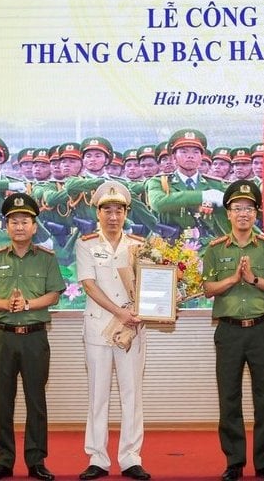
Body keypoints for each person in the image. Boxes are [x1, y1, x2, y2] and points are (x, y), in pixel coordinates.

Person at [202, 180, 264, 481]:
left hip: (262, 330)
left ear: (256, 214)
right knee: (229, 397)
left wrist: (251, 279)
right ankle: (234, 462)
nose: (243, 214)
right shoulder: (214, 249)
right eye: (237, 208)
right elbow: (207, 288)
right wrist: (230, 281)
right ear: (228, 214)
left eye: (249, 209)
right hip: (228, 332)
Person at [0, 193, 66, 481]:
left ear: (34, 226)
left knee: (36, 401)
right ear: (6, 227)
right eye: (13, 221)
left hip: (34, 338)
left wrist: (27, 304)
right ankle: (3, 460)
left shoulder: (47, 259)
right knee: (2, 401)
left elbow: (53, 294)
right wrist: (4, 305)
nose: (19, 226)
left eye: (24, 221)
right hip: (2, 337)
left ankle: (36, 461)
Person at [75, 181, 151, 481]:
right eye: (107, 210)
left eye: (119, 210)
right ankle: (98, 458)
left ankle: (131, 458)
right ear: (98, 212)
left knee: (132, 393)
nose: (113, 216)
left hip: (132, 328)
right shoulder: (86, 243)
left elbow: (150, 284)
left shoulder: (139, 245)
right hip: (99, 327)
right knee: (98, 394)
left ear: (126, 213)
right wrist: (120, 312)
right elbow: (89, 285)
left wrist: (149, 309)